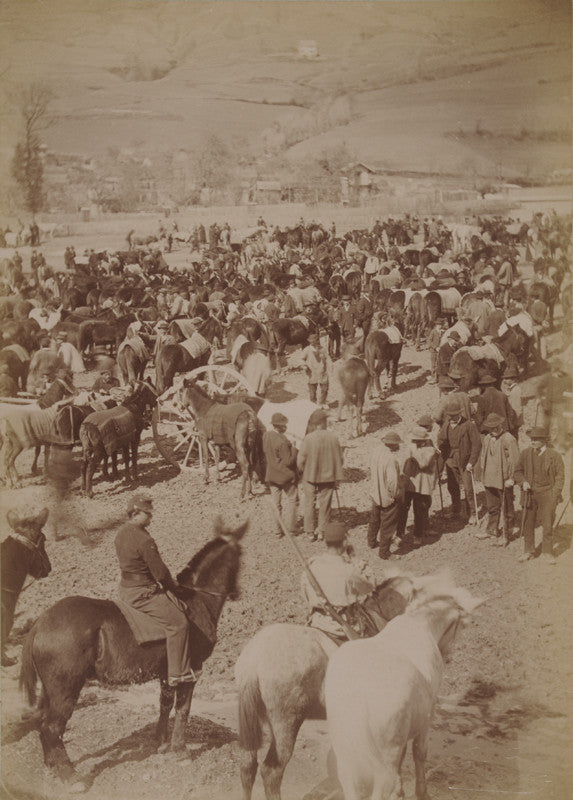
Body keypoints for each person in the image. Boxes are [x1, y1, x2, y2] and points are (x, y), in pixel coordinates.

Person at [114, 494, 201, 686]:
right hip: (142, 593)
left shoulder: (121, 533)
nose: (151, 518)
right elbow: (160, 573)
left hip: (125, 589)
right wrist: (175, 587)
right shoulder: (144, 539)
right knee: (178, 623)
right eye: (148, 514)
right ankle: (179, 673)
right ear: (135, 513)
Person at [301, 521, 374, 640]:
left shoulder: (311, 566)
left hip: (317, 622)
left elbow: (304, 595)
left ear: (326, 542)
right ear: (345, 542)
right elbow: (369, 588)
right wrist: (355, 560)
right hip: (340, 628)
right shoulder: (348, 570)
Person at [514, 428, 564, 564]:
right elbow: (517, 472)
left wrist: (554, 494)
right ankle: (528, 551)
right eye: (532, 439)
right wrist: (523, 482)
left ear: (544, 440)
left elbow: (560, 477)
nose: (533, 442)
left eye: (536, 439)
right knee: (528, 523)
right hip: (529, 494)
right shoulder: (525, 454)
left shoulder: (554, 455)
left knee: (547, 524)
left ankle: (547, 552)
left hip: (548, 493)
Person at [297, 409, 344, 541]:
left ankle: (309, 532)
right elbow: (340, 459)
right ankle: (322, 531)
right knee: (325, 503)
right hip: (328, 476)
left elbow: (300, 460)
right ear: (323, 422)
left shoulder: (308, 438)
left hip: (309, 476)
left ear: (314, 423)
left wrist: (302, 471)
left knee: (309, 503)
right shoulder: (333, 437)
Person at [475, 412, 519, 545]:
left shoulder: (508, 439)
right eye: (490, 427)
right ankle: (492, 529)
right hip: (489, 478)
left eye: (495, 427)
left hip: (503, 479)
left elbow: (515, 460)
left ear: (500, 425)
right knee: (492, 506)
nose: (493, 430)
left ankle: (508, 531)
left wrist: (511, 478)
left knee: (507, 506)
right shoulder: (488, 438)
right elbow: (483, 456)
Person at [437, 400, 482, 524]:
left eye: (455, 414)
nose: (452, 417)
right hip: (450, 459)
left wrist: (471, 462)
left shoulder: (468, 425)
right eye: (450, 415)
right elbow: (441, 440)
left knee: (468, 488)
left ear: (459, 414)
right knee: (452, 486)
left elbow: (477, 445)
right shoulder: (446, 425)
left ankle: (472, 513)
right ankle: (456, 510)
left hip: (464, 459)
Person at [397, 426, 439, 544]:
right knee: (403, 508)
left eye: (416, 440)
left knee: (420, 509)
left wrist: (413, 453)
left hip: (422, 484)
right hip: (409, 482)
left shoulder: (430, 450)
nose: (414, 442)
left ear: (423, 440)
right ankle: (399, 533)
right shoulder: (410, 447)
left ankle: (418, 535)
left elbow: (423, 463)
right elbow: (403, 463)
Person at [367, 430, 403, 559]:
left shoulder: (376, 451)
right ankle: (384, 553)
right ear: (393, 445)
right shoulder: (391, 459)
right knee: (388, 525)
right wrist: (395, 495)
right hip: (387, 497)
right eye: (397, 444)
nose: (399, 446)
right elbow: (392, 482)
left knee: (374, 519)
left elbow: (369, 469)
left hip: (375, 492)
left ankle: (371, 542)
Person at [263, 412, 298, 537]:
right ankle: (292, 529)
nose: (286, 427)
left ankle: (278, 530)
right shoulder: (283, 442)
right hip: (285, 476)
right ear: (280, 426)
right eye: (284, 425)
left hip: (272, 475)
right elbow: (288, 461)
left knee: (276, 504)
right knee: (293, 500)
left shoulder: (266, 436)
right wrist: (293, 447)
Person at [301, 333, 329, 406]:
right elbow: (302, 359)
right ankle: (313, 404)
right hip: (312, 372)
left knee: (325, 389)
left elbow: (328, 358)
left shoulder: (322, 349)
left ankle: (322, 402)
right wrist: (304, 365)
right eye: (311, 341)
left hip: (322, 372)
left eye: (315, 340)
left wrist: (330, 365)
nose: (313, 342)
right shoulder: (307, 350)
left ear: (317, 340)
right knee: (312, 391)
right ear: (309, 341)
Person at [426, 318, 446, 384]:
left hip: (440, 350)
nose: (439, 326)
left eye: (440, 325)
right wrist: (435, 347)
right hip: (434, 351)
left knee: (439, 363)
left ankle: (439, 377)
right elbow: (429, 340)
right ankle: (433, 377)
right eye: (438, 324)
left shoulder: (443, 332)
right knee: (434, 364)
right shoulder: (433, 331)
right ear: (436, 325)